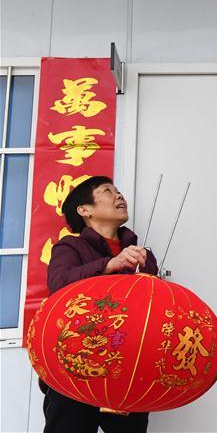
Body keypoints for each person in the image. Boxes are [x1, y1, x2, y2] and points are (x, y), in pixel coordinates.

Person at [43, 176, 158, 433]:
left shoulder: (140, 254)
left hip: (126, 366)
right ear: (84, 210)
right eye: (108, 191)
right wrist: (110, 265)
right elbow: (59, 283)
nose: (119, 196)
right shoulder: (70, 246)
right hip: (76, 366)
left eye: (119, 191)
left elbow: (151, 310)